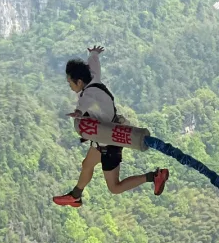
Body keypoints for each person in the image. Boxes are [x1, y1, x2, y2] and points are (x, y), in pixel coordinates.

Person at [53, 47, 169, 208]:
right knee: (87, 164)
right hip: (104, 135)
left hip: (110, 141)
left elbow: (84, 103)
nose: (70, 86)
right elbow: (93, 66)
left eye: (70, 82)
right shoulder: (93, 79)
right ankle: (76, 196)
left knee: (114, 187)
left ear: (79, 81)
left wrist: (78, 112)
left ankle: (154, 176)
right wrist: (94, 54)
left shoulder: (88, 95)